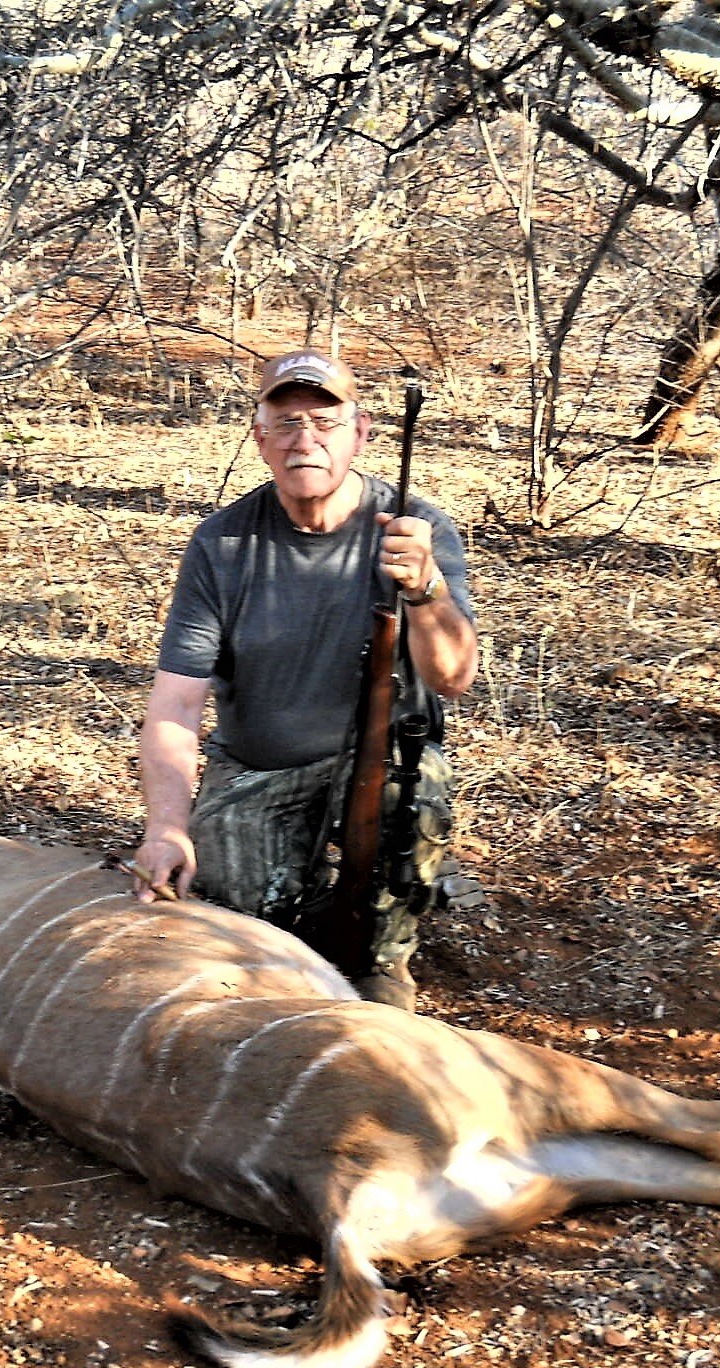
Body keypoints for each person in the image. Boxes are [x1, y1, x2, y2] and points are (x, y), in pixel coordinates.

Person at [132, 349, 480, 1010]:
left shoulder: (418, 529)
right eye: (286, 423)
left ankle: (385, 953)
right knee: (237, 912)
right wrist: (166, 828)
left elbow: (455, 678)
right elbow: (175, 708)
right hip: (261, 765)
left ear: (361, 431)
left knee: (416, 790)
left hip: (374, 766)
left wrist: (427, 590)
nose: (305, 440)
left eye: (325, 423)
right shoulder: (221, 543)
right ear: (259, 435)